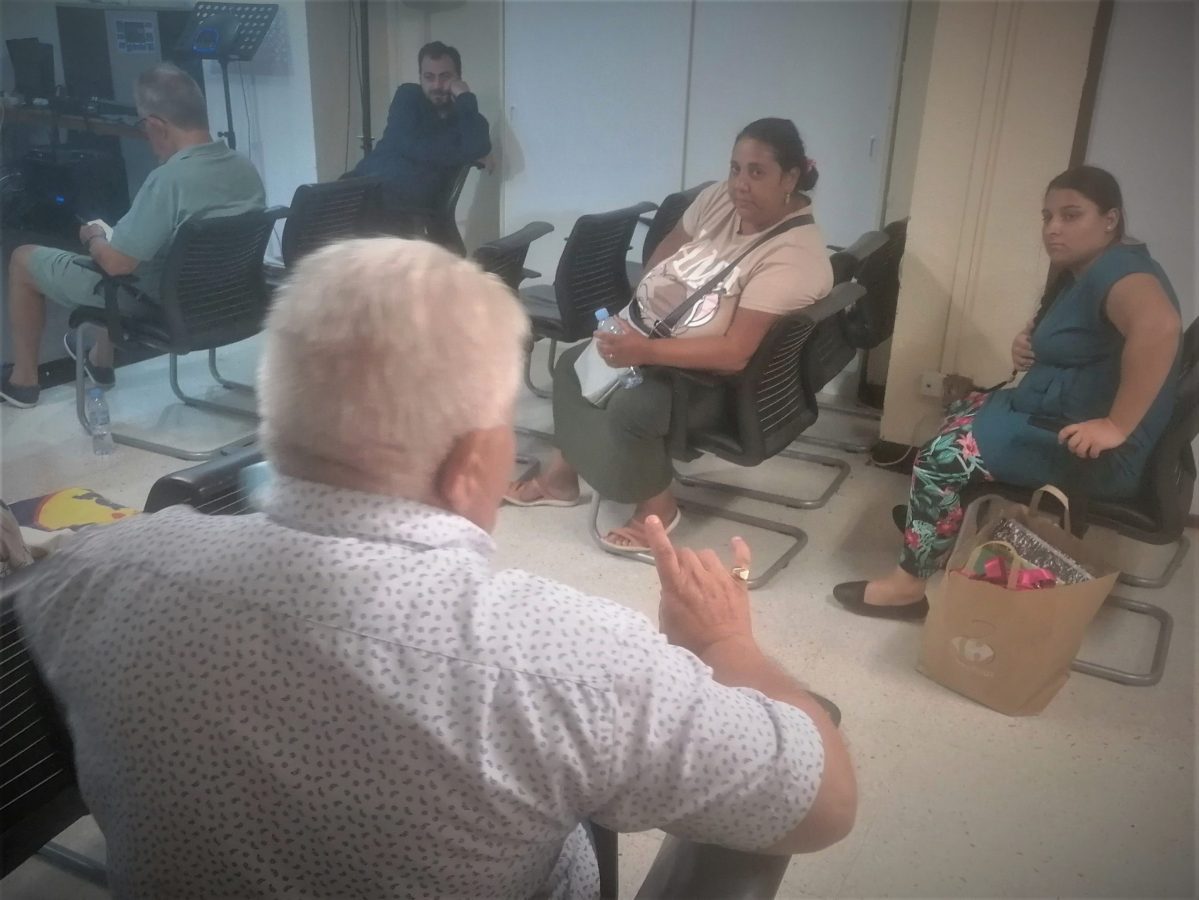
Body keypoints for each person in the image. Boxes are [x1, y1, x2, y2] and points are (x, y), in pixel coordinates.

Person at [16, 239, 856, 899]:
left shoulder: (102, 570)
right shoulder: (572, 662)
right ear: (471, 463)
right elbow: (823, 805)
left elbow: (38, 567)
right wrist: (723, 644)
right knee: (808, 715)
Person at [833, 165, 1183, 619]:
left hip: (1093, 452)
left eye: (1071, 215)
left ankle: (907, 589)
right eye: (1047, 216)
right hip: (1059, 417)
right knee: (964, 406)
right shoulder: (1092, 267)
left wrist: (1116, 425)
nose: (1053, 228)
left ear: (1110, 219)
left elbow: (1159, 328)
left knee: (942, 457)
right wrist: (1031, 344)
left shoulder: (1122, 273)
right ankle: (936, 522)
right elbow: (1084, 339)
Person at [505, 118, 834, 551]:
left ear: (789, 178)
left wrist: (644, 349)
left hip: (712, 383)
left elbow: (735, 352)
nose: (740, 184)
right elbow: (668, 248)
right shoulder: (721, 200)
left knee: (631, 405)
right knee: (573, 366)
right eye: (735, 168)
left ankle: (657, 508)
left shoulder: (793, 256)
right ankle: (560, 479)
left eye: (757, 172)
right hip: (661, 342)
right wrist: (639, 311)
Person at [0, 63, 265, 409]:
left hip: (160, 301)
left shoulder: (168, 180)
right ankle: (100, 360)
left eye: (143, 126)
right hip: (224, 298)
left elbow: (116, 264)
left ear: (155, 125)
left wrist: (93, 237)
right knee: (128, 250)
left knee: (25, 259)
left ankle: (23, 382)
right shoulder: (244, 167)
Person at [350, 41, 492, 209]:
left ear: (458, 78)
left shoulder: (469, 118)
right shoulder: (408, 96)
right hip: (362, 188)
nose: (437, 85)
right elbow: (410, 145)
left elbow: (477, 147)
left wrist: (465, 97)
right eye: (429, 77)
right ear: (420, 78)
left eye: (445, 76)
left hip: (402, 208)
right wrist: (465, 153)